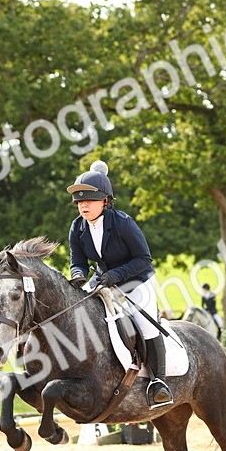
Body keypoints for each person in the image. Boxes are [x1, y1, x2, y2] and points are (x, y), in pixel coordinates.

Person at [66, 160, 171, 408]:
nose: (84, 206)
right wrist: (79, 274)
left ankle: (159, 382)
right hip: (102, 278)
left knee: (145, 326)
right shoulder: (77, 227)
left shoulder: (123, 223)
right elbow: (77, 260)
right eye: (80, 202)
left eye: (89, 201)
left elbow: (144, 258)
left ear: (105, 201)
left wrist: (117, 276)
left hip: (135, 279)